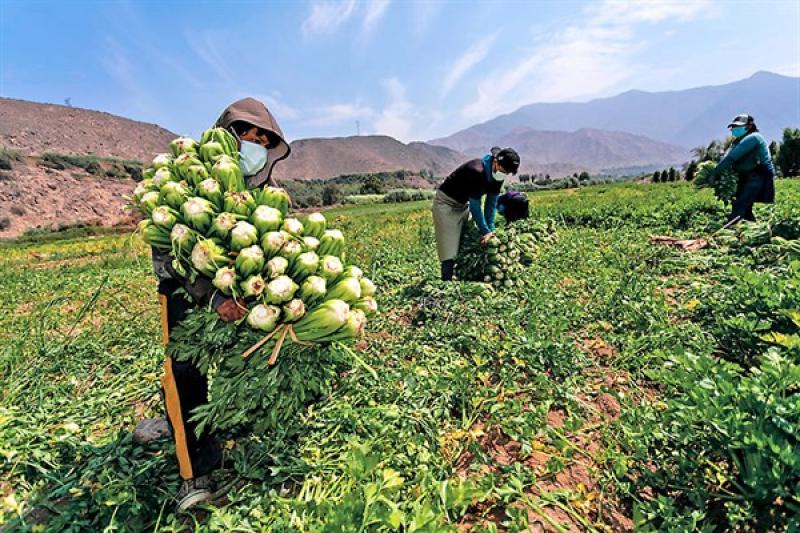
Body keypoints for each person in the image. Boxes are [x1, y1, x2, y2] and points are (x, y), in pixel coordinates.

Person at [141, 98, 291, 511]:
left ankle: (218, 429)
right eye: (248, 134)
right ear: (227, 133)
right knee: (185, 375)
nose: (255, 144)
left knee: (241, 364)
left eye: (264, 139)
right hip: (185, 295)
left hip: (241, 301)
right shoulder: (188, 179)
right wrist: (214, 296)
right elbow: (165, 255)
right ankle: (194, 475)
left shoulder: (266, 193)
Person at [432, 147, 520, 281]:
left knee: (467, 238)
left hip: (462, 205)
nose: (504, 174)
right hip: (446, 204)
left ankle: (463, 275)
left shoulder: (498, 176)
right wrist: (485, 231)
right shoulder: (476, 171)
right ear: (496, 162)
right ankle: (446, 282)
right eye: (503, 170)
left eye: (507, 173)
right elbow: (475, 206)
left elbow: (490, 204)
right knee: (449, 246)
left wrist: (490, 230)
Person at [713, 113, 775, 223]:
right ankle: (756, 230)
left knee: (740, 205)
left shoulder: (753, 138)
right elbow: (727, 155)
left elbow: (731, 158)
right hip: (747, 176)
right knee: (745, 209)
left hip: (757, 175)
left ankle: (729, 230)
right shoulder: (739, 140)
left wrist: (714, 173)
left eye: (737, 127)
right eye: (733, 127)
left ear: (749, 126)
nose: (733, 129)